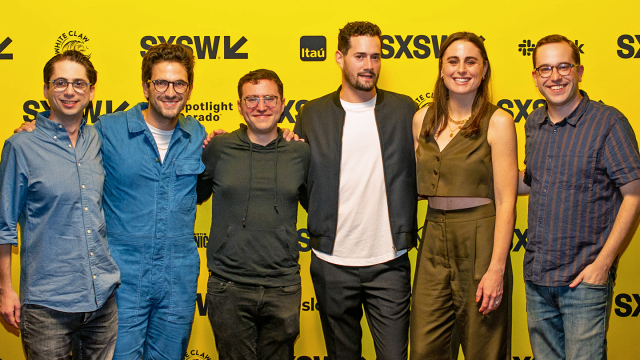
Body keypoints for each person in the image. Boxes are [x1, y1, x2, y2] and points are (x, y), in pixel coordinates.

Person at [13, 43, 207, 359]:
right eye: (161, 82)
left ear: (189, 88)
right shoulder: (108, 129)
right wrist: (37, 129)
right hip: (121, 279)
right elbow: (66, 139)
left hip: (179, 278)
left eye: (179, 83)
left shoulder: (196, 133)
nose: (170, 92)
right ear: (146, 86)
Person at [293, 21, 418, 360]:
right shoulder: (312, 113)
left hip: (389, 262)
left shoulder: (406, 110)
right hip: (331, 263)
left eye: (376, 57)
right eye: (360, 56)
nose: (369, 66)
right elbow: (302, 181)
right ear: (339, 57)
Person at [519, 34, 640, 360]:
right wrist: (470, 178)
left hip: (584, 282)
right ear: (535, 77)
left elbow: (634, 193)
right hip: (537, 280)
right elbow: (532, 182)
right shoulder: (534, 123)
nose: (554, 76)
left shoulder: (608, 123)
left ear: (579, 71)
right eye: (545, 69)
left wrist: (603, 264)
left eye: (563, 67)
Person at [0, 51, 120, 359]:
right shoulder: (20, 147)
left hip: (102, 301)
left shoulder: (97, 138)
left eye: (79, 83)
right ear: (46, 89)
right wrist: (5, 289)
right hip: (47, 306)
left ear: (92, 91)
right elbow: (3, 226)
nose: (70, 91)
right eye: (61, 82)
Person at [410, 32, 517, 360]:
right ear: (441, 69)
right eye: (453, 61)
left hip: (480, 237)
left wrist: (496, 267)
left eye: (471, 61)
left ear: (483, 69)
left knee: (484, 345)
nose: (461, 69)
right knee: (425, 347)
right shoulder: (421, 119)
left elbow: (507, 199)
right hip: (432, 236)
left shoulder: (498, 122)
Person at [197, 69, 309, 360]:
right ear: (239, 106)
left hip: (283, 286)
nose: (261, 106)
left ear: (283, 103)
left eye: (269, 98)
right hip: (228, 285)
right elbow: (197, 195)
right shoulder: (219, 148)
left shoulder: (300, 153)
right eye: (252, 99)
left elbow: (316, 205)